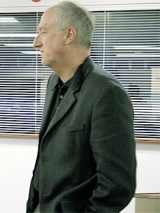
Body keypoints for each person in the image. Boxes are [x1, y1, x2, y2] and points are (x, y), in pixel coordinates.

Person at [27, 1, 136, 212]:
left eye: (43, 32)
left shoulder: (106, 93)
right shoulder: (53, 83)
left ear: (69, 35)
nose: (36, 42)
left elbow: (117, 185)